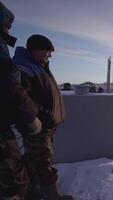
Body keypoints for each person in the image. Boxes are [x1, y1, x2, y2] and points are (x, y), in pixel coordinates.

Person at [12, 35, 74, 200]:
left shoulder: (38, 65)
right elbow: (20, 97)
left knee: (35, 161)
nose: (50, 55)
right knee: (42, 161)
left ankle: (32, 193)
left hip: (45, 125)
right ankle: (53, 197)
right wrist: (41, 115)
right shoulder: (23, 66)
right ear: (35, 50)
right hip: (37, 126)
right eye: (48, 51)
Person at [0, 1, 42, 199]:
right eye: (6, 24)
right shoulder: (20, 65)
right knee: (13, 183)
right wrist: (31, 118)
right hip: (4, 130)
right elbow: (11, 87)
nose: (8, 28)